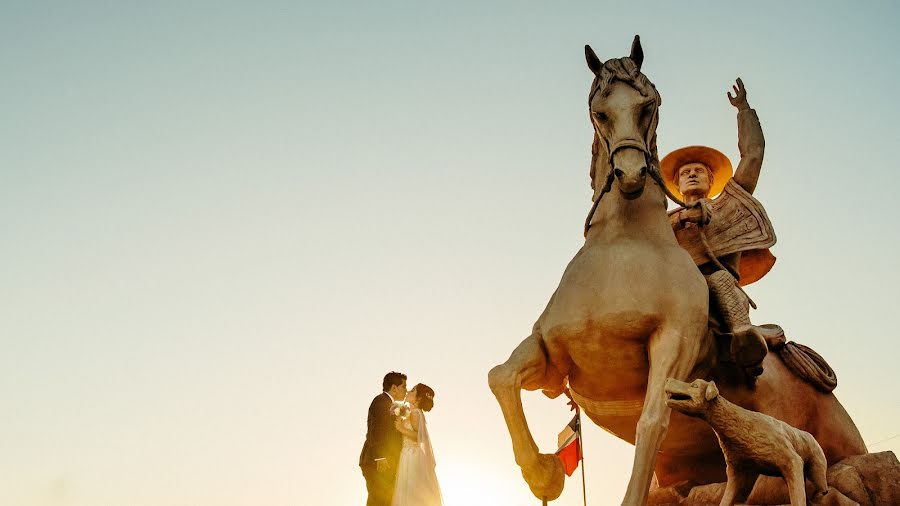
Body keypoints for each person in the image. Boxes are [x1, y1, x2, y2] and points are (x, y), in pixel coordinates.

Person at [661, 78, 781, 377]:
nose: (691, 175)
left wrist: (744, 111)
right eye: (685, 172)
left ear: (711, 180)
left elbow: (753, 154)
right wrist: (680, 219)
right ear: (675, 184)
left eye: (698, 171)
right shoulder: (663, 222)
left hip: (716, 289)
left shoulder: (728, 205)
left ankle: (744, 341)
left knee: (718, 282)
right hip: (669, 289)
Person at [360, 372, 407, 506]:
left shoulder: (389, 404)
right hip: (377, 462)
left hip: (384, 462)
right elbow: (376, 432)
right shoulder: (381, 402)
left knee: (384, 501)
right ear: (394, 388)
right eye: (403, 386)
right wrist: (380, 458)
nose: (406, 390)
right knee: (378, 500)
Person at [392, 383, 443, 506]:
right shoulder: (414, 412)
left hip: (411, 456)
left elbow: (419, 437)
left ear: (418, 398)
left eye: (413, 390)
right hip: (409, 453)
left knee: (411, 495)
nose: (408, 391)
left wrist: (400, 428)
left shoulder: (415, 413)